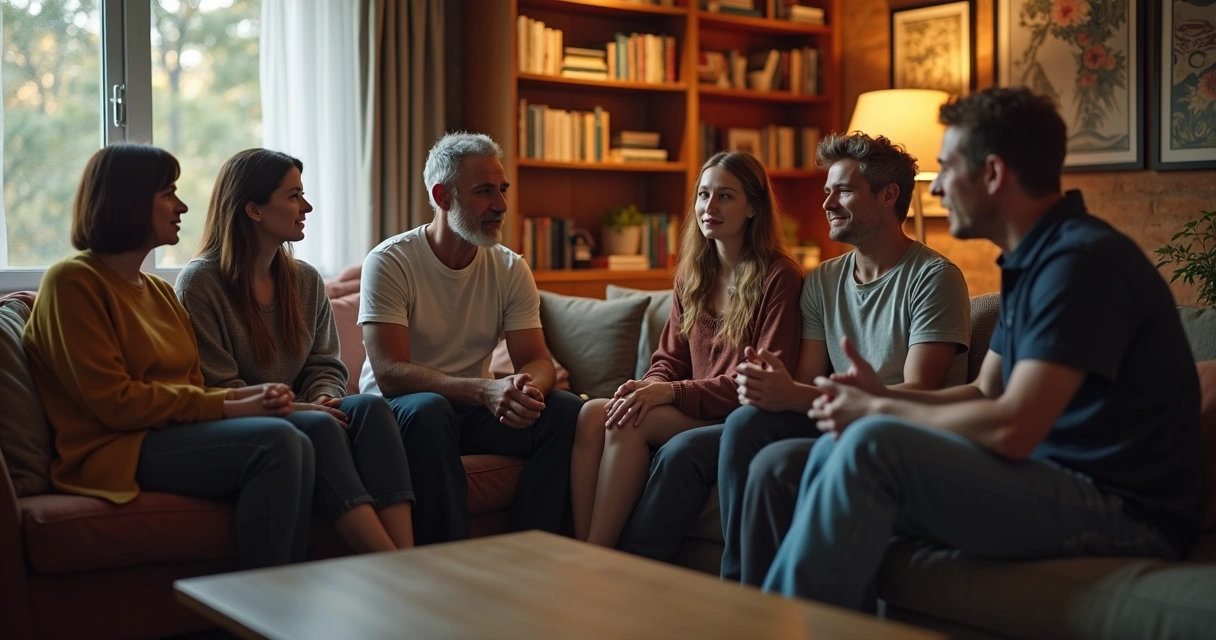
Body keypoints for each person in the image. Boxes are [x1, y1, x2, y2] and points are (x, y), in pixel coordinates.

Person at [756, 87, 1202, 609]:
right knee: (829, 448)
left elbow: (1013, 428)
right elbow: (985, 392)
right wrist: (878, 395)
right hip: (1054, 477)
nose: (938, 187)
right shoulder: (1033, 261)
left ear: (992, 174)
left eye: (946, 168)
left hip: (1123, 508)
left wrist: (878, 409)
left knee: (872, 445)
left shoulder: (1080, 263)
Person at [617, 134, 971, 580]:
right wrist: (778, 390)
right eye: (827, 190)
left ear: (888, 196)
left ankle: (738, 588)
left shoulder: (933, 278)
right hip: (830, 420)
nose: (826, 202)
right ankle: (628, 578)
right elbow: (802, 384)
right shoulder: (823, 280)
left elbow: (920, 391)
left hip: (892, 430)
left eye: (841, 190)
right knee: (706, 441)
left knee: (724, 435)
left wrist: (798, 395)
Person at [22, 144, 313, 569]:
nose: (182, 205)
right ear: (130, 200)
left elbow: (192, 385)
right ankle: (265, 608)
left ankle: (289, 597)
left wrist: (243, 402)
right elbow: (115, 403)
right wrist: (231, 407)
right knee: (277, 442)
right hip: (113, 450)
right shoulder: (72, 282)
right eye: (168, 193)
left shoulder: (157, 290)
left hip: (169, 435)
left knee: (303, 434)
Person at [176, 148, 417, 554]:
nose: (306, 206)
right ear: (253, 209)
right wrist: (303, 410)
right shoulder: (200, 284)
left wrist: (323, 396)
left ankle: (408, 552)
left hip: (304, 409)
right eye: (293, 196)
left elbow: (325, 363)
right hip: (246, 420)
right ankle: (392, 562)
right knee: (321, 426)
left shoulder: (304, 280)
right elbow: (218, 384)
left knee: (372, 410)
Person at [571, 150, 803, 548]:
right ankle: (580, 544)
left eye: (725, 196)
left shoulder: (779, 276)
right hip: (694, 408)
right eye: (703, 194)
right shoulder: (692, 274)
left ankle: (598, 554)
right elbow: (669, 359)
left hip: (737, 420)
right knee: (593, 413)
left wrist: (670, 392)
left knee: (627, 422)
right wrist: (647, 387)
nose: (709, 207)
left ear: (753, 207)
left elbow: (761, 384)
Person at [358, 132, 582, 544]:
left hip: (470, 410)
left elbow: (537, 359)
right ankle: (450, 560)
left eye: (502, 189)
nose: (501, 205)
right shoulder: (391, 261)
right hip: (399, 414)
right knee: (430, 409)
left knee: (565, 409)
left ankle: (530, 550)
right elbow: (390, 373)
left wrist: (524, 389)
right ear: (442, 197)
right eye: (484, 191)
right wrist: (484, 391)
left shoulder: (510, 267)